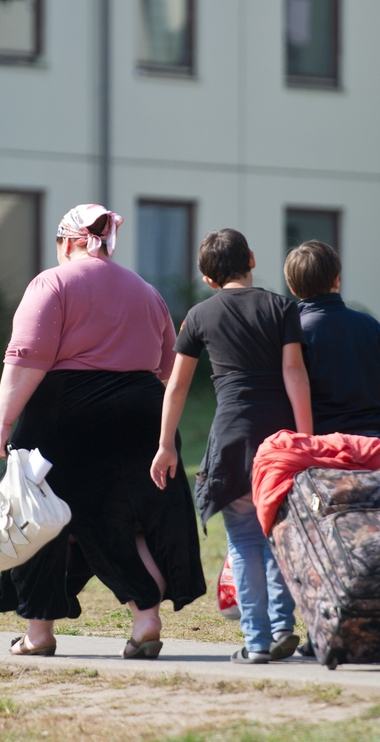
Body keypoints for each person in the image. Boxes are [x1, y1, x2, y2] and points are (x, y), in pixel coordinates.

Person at [0, 204, 205, 660]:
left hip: (68, 417)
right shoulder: (146, 291)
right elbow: (164, 367)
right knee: (131, 519)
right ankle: (146, 620)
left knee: (41, 517)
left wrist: (3, 422)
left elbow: (25, 360)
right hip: (143, 413)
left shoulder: (52, 283)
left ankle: (39, 633)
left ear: (67, 241)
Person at [150, 228, 313, 664]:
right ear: (253, 259)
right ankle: (283, 628)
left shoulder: (200, 315)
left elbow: (177, 387)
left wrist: (166, 445)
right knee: (280, 536)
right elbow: (295, 374)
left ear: (207, 278)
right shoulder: (282, 308)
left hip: (231, 442)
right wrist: (306, 440)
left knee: (243, 540)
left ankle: (256, 642)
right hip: (278, 441)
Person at [283, 239, 380, 436]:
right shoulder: (369, 325)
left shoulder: (291, 332)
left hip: (315, 441)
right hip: (370, 441)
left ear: (292, 288)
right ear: (337, 279)